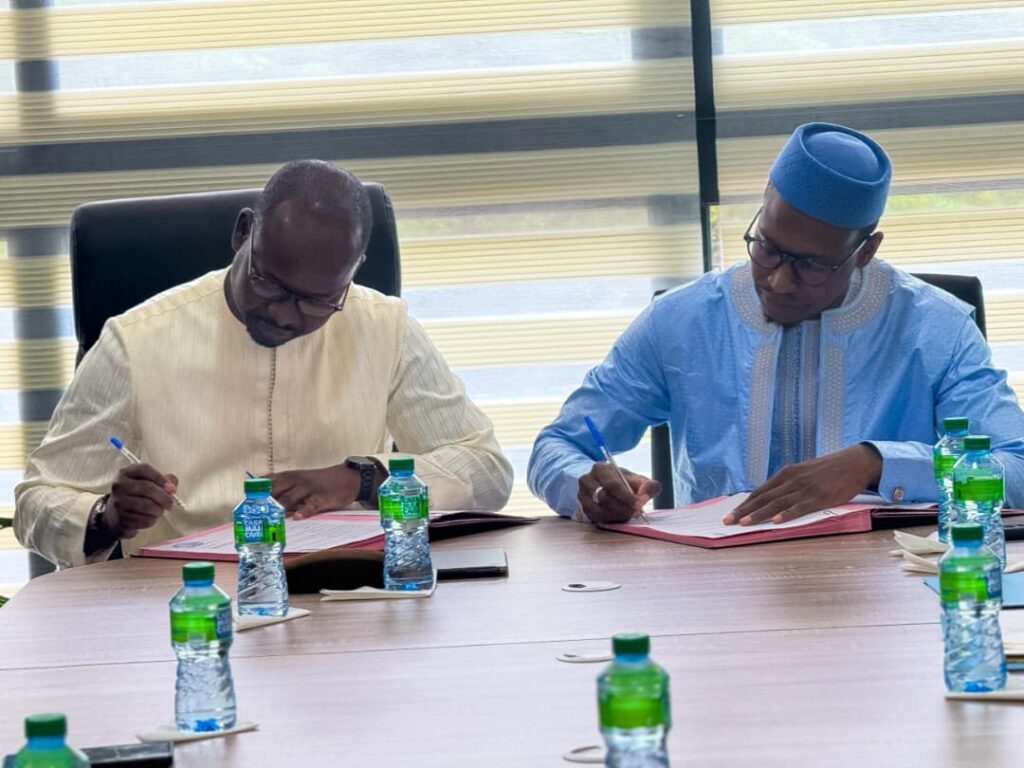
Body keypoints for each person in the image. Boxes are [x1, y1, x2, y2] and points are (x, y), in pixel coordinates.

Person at [16, 160, 513, 568]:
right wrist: (106, 517)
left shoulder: (385, 326)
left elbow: (487, 471)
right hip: (191, 595)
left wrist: (364, 478)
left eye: (317, 302)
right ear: (243, 233)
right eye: (269, 284)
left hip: (346, 596)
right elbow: (37, 500)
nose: (284, 315)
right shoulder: (135, 340)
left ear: (353, 271)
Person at [528, 122, 1024, 525]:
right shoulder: (681, 319)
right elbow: (557, 445)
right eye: (767, 247)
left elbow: (1016, 468)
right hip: (716, 586)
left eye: (811, 264)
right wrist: (586, 486)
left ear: (865, 251)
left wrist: (876, 464)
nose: (780, 281)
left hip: (884, 584)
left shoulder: (937, 329)